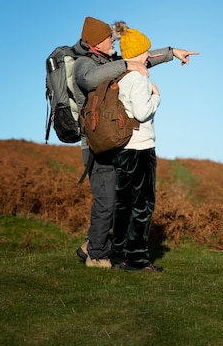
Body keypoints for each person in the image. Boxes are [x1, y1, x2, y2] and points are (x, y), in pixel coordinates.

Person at [72, 16, 198, 268]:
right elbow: (90, 79)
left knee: (119, 200)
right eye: (109, 38)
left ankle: (98, 245)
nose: (113, 41)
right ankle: (96, 254)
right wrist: (131, 66)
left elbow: (142, 57)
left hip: (115, 140)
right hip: (96, 142)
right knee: (110, 200)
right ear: (97, 42)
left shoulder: (114, 61)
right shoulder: (83, 64)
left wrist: (172, 53)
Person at [110, 28, 162, 272]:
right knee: (142, 205)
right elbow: (142, 113)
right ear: (138, 53)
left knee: (123, 204)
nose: (149, 53)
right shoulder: (139, 79)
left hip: (123, 148)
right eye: (146, 50)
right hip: (141, 149)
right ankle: (137, 259)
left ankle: (118, 255)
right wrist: (157, 97)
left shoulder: (121, 77)